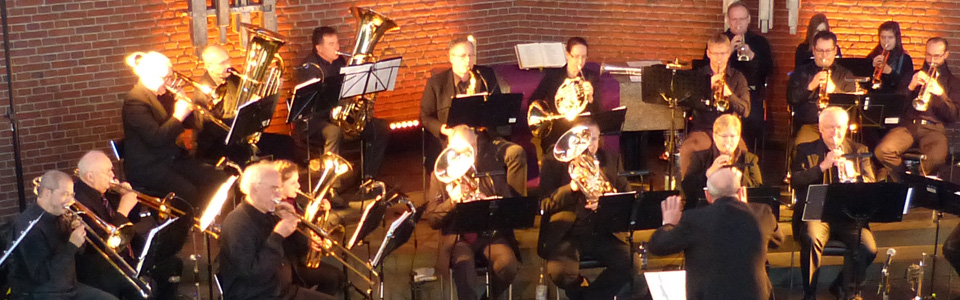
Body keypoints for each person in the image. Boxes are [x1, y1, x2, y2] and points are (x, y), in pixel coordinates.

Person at [648, 168, 782, 300]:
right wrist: (746, 209)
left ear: (708, 196)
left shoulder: (694, 220)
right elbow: (778, 241)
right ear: (741, 191)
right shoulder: (762, 213)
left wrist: (669, 223)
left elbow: (658, 246)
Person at [423, 125, 520, 300]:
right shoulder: (439, 175)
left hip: (489, 234)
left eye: (472, 147)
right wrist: (452, 202)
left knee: (508, 264)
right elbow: (432, 219)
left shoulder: (492, 168)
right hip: (458, 238)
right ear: (450, 150)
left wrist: (490, 203)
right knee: (464, 268)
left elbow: (510, 206)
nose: (469, 154)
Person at [420, 36, 527, 197]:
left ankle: (514, 205)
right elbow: (425, 116)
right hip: (454, 143)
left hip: (484, 139)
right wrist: (444, 130)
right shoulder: (436, 83)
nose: (468, 61)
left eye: (471, 55)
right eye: (462, 56)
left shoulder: (485, 75)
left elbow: (498, 107)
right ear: (451, 58)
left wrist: (489, 118)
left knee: (516, 152)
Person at [121, 51, 228, 209]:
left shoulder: (163, 94)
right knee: (188, 192)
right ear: (149, 76)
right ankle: (187, 226)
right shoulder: (134, 102)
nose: (170, 82)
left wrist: (184, 101)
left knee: (217, 177)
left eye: (170, 77)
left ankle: (206, 220)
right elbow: (156, 139)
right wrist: (178, 116)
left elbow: (192, 124)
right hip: (149, 167)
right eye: (166, 78)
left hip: (171, 159)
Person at [73, 150, 186, 300]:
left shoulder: (103, 191)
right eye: (107, 171)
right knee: (142, 290)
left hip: (128, 253)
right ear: (90, 176)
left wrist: (126, 196)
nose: (113, 176)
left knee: (173, 264)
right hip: (105, 267)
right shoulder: (79, 202)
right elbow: (105, 243)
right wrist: (123, 208)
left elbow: (132, 220)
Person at [538, 122, 633, 300]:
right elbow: (544, 204)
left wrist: (606, 204)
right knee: (561, 273)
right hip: (567, 234)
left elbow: (626, 196)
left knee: (631, 263)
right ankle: (581, 290)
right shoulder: (553, 162)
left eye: (594, 139)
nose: (589, 144)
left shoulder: (612, 159)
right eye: (584, 140)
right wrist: (570, 188)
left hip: (601, 232)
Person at [216, 162, 336, 300]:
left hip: (282, 291)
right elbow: (253, 274)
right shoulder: (238, 223)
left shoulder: (269, 214)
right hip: (258, 295)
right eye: (273, 188)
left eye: (279, 188)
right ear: (255, 189)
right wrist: (277, 236)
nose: (279, 194)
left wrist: (294, 224)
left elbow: (299, 253)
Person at [791, 107, 876, 299]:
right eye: (830, 128)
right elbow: (796, 181)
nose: (835, 133)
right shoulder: (805, 150)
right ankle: (809, 294)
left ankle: (844, 287)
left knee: (868, 249)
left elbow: (871, 184)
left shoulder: (859, 151)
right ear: (820, 128)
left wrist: (853, 174)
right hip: (817, 213)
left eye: (839, 128)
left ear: (846, 128)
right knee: (811, 239)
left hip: (849, 215)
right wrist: (823, 167)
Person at [294, 26, 390, 189]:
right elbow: (312, 105)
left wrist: (359, 93)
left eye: (337, 43)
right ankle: (332, 187)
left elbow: (347, 91)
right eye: (331, 44)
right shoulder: (308, 69)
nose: (337, 48)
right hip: (314, 121)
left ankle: (367, 179)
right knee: (334, 132)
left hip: (337, 116)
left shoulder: (340, 62)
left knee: (380, 127)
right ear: (319, 48)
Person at [8, 170, 119, 300]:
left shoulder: (60, 216)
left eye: (72, 195)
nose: (70, 200)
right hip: (42, 293)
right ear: (47, 193)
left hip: (68, 287)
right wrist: (72, 245)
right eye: (65, 194)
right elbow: (40, 275)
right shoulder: (28, 225)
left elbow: (76, 255)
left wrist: (75, 235)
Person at [194, 45, 296, 165]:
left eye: (228, 60)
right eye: (222, 63)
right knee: (243, 154)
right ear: (209, 66)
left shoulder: (232, 77)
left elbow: (248, 98)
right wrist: (244, 113)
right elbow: (212, 130)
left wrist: (271, 91)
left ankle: (283, 180)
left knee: (286, 143)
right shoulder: (203, 92)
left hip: (240, 136)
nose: (228, 65)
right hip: (217, 144)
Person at [875, 37, 960, 180]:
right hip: (908, 126)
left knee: (937, 159)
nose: (931, 60)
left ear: (946, 55)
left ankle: (917, 181)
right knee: (882, 151)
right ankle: (904, 177)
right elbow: (895, 107)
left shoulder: (954, 82)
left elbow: (953, 116)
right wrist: (910, 87)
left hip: (934, 129)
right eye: (928, 54)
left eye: (936, 56)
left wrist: (940, 94)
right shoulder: (912, 75)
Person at [680, 33, 750, 178]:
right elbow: (685, 105)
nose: (719, 58)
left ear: (729, 53)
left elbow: (746, 111)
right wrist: (707, 87)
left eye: (723, 53)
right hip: (703, 127)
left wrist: (729, 95)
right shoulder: (697, 76)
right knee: (688, 148)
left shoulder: (738, 78)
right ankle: (687, 193)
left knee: (744, 153)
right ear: (708, 54)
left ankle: (739, 193)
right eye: (716, 53)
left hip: (728, 129)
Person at [273, 160, 345, 297]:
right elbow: (287, 242)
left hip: (300, 256)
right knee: (332, 278)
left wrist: (320, 211)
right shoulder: (279, 209)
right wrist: (309, 241)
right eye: (293, 183)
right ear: (279, 185)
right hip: (290, 265)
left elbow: (304, 221)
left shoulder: (292, 201)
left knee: (339, 276)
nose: (299, 186)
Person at [528, 37, 602, 161]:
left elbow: (599, 112)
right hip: (558, 132)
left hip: (582, 134)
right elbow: (534, 101)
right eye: (576, 56)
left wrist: (590, 98)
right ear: (567, 55)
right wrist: (549, 112)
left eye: (584, 57)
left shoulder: (591, 78)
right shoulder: (553, 76)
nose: (580, 61)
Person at [787, 31, 859, 146]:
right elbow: (792, 99)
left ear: (835, 51)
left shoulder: (845, 75)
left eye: (828, 51)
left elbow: (852, 106)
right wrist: (810, 86)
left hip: (837, 127)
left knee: (845, 149)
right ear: (814, 50)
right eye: (820, 51)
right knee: (802, 147)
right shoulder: (802, 72)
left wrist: (834, 91)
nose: (824, 55)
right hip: (811, 124)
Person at [719, 1, 774, 149]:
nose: (738, 23)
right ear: (728, 21)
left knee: (754, 120)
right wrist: (728, 51)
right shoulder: (720, 41)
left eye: (742, 19)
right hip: (723, 92)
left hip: (750, 93)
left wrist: (753, 57)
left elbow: (769, 71)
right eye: (734, 19)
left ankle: (747, 155)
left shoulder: (760, 42)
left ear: (749, 20)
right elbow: (707, 68)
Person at [681, 114, 761, 210]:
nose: (728, 141)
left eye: (732, 136)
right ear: (715, 136)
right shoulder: (700, 157)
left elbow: (759, 191)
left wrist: (741, 178)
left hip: (738, 211)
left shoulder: (749, 159)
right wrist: (708, 173)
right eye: (724, 136)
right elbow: (687, 188)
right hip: (707, 211)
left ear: (739, 137)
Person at [865, 21, 913, 93]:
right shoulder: (873, 56)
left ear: (897, 39)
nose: (886, 41)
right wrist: (870, 66)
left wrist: (890, 72)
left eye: (890, 37)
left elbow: (906, 86)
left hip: (894, 100)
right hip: (873, 98)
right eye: (883, 37)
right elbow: (862, 83)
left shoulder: (905, 59)